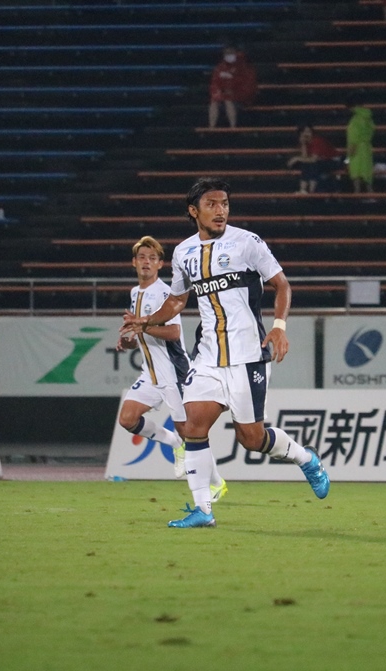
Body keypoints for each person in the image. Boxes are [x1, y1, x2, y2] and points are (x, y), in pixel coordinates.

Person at [120, 178, 330, 528]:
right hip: (208, 357)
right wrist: (146, 321)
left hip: (247, 357)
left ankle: (305, 458)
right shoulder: (184, 252)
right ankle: (203, 509)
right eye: (212, 204)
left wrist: (279, 326)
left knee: (252, 438)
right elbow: (177, 300)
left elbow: (281, 284)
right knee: (193, 427)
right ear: (194, 211)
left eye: (225, 204)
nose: (221, 211)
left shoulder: (247, 242)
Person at [115, 236, 227, 500]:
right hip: (151, 374)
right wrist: (129, 342)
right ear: (134, 262)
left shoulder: (164, 293)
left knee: (190, 433)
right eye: (142, 257)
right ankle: (173, 443)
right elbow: (143, 334)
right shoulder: (135, 293)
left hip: (173, 372)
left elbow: (174, 333)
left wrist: (142, 327)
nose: (146, 262)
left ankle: (217, 482)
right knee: (128, 419)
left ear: (160, 264)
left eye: (152, 258)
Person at [208, 44, 257, 129]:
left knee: (228, 100)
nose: (229, 55)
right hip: (224, 96)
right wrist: (218, 92)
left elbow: (248, 85)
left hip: (240, 98)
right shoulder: (220, 67)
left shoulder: (243, 67)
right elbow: (215, 83)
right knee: (214, 101)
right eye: (226, 53)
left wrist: (234, 92)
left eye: (231, 53)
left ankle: (233, 126)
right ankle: (211, 127)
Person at [286, 124, 340, 194]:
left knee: (313, 164)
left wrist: (296, 158)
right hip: (321, 161)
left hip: (333, 161)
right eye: (304, 132)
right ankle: (303, 190)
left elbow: (313, 159)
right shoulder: (307, 143)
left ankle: (311, 191)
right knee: (307, 164)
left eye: (308, 132)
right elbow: (305, 158)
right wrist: (303, 144)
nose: (306, 134)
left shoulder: (316, 141)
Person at [345, 95, 376, 195]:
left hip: (357, 152)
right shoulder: (368, 117)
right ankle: (371, 196)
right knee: (367, 175)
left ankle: (357, 195)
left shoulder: (354, 121)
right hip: (367, 149)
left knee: (356, 174)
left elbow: (352, 144)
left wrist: (347, 161)